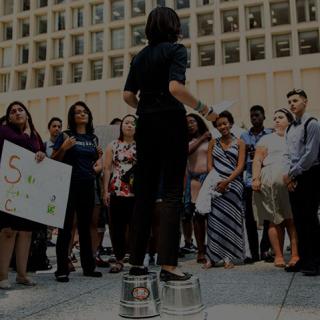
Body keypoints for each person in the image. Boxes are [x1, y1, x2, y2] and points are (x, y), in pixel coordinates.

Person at [123, 6, 217, 281]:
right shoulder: (176, 50)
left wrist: (146, 107)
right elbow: (176, 88)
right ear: (174, 26)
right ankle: (168, 265)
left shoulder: (139, 57)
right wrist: (205, 109)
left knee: (144, 195)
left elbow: (128, 95)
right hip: (171, 123)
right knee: (173, 193)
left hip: (146, 124)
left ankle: (137, 263)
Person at [52, 101, 103, 282]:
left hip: (88, 184)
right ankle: (62, 269)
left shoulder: (93, 138)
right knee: (66, 227)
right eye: (77, 112)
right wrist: (64, 148)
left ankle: (88, 267)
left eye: (84, 111)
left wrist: (98, 157)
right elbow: (53, 160)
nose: (82, 114)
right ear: (72, 117)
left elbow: (96, 165)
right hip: (68, 184)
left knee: (85, 226)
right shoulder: (66, 135)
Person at [0, 101, 46, 289]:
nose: (17, 113)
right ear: (8, 117)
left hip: (28, 189)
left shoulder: (35, 134)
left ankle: (22, 274)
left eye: (21, 110)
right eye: (13, 111)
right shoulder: (3, 130)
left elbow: (40, 152)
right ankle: (2, 276)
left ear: (27, 114)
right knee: (8, 231)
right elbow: (19, 144)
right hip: (8, 187)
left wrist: (41, 154)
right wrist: (27, 135)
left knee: (26, 232)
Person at [252, 108, 299, 268]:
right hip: (269, 179)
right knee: (274, 220)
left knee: (291, 219)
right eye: (275, 118)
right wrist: (255, 178)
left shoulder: (294, 136)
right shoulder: (267, 139)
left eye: (281, 117)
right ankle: (278, 255)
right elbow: (257, 160)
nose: (277, 120)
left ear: (289, 120)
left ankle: (295, 254)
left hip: (290, 180)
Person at [283, 89, 320, 275]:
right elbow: (288, 154)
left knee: (310, 219)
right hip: (294, 175)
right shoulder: (290, 127)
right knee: (298, 220)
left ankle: (315, 262)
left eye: (295, 100)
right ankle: (304, 259)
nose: (292, 104)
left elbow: (310, 155)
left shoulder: (312, 124)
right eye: (289, 101)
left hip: (310, 174)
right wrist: (288, 175)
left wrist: (293, 173)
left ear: (305, 102)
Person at [204, 111, 245, 269]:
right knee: (214, 220)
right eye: (219, 124)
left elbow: (240, 166)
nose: (222, 126)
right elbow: (209, 165)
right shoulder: (213, 142)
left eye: (225, 123)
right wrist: (216, 180)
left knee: (230, 221)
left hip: (233, 185)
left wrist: (227, 181)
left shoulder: (240, 142)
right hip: (215, 184)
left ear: (231, 123)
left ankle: (229, 257)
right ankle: (212, 257)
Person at [103, 114, 137, 273]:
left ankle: (136, 258)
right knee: (117, 227)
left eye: (133, 123)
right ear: (121, 126)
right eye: (126, 123)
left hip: (136, 191)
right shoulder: (113, 145)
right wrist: (105, 191)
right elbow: (107, 168)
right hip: (116, 189)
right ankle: (119, 259)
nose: (129, 125)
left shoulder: (141, 145)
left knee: (136, 225)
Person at [240, 105, 273, 263]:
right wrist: (246, 152)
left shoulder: (270, 134)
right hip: (248, 180)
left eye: (257, 115)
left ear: (264, 116)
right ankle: (253, 254)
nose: (254, 118)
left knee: (267, 215)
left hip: (266, 178)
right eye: (252, 116)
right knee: (249, 218)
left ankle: (265, 249)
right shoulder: (244, 136)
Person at [182, 113, 211, 263]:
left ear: (199, 122)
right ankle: (200, 251)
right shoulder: (186, 141)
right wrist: (201, 139)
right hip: (194, 181)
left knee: (211, 217)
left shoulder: (210, 139)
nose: (190, 124)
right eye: (187, 123)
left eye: (192, 121)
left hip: (209, 178)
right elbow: (186, 151)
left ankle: (213, 248)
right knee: (197, 217)